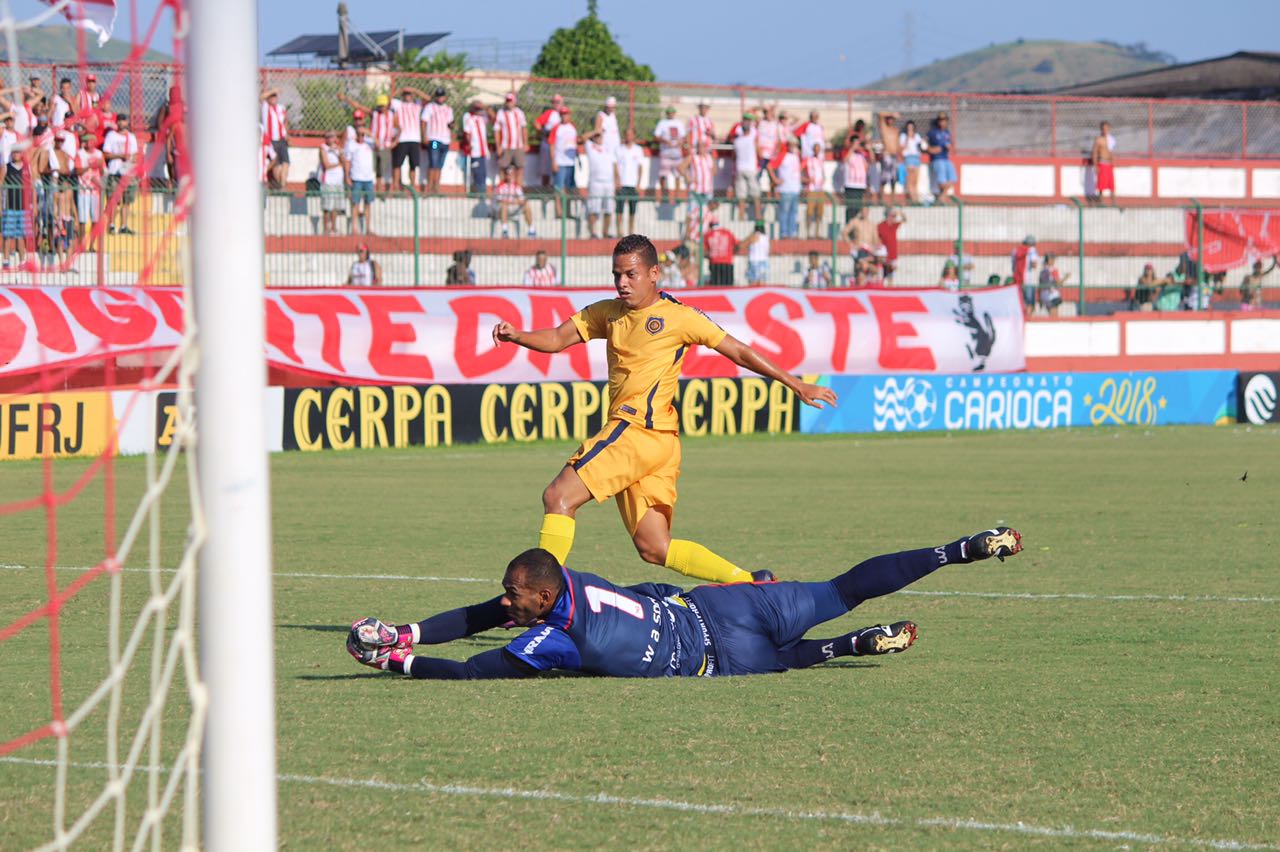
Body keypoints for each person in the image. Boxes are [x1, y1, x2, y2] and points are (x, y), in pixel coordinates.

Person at [490, 234, 838, 583]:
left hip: (636, 430)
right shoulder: (607, 313)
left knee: (558, 496)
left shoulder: (680, 317)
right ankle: (751, 582)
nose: (622, 283)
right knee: (655, 547)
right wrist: (517, 335)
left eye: (631, 274)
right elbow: (556, 338)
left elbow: (739, 351)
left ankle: (541, 600)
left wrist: (797, 384)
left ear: (654, 273)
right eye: (616, 275)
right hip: (659, 442)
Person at [346, 528, 1024, 679]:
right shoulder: (572, 578)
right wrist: (409, 629)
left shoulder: (553, 640)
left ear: (544, 596)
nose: (507, 604)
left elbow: (469, 668)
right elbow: (487, 612)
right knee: (841, 589)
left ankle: (848, 647)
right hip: (721, 608)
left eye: (518, 597)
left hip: (720, 657)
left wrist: (397, 663)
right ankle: (958, 548)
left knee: (793, 662)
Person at [339, 92, 395, 194]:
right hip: (373, 145)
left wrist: (395, 142)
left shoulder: (392, 115)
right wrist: (346, 99)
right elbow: (359, 106)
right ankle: (376, 192)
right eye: (380, 105)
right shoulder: (374, 114)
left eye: (383, 105)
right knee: (374, 169)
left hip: (385, 146)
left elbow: (399, 128)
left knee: (383, 170)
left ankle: (384, 192)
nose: (381, 107)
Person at [102, 113, 139, 235]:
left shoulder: (131, 137)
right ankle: (111, 224)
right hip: (114, 171)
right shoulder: (111, 136)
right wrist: (120, 156)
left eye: (124, 120)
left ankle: (124, 225)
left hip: (127, 172)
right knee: (113, 199)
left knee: (127, 200)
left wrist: (131, 160)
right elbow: (106, 154)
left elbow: (135, 155)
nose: (121, 123)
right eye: (119, 121)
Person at [390, 86, 426, 190]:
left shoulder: (417, 105)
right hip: (402, 139)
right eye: (405, 94)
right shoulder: (398, 104)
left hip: (415, 139)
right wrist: (400, 89)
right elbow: (388, 99)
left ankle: (412, 186)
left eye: (409, 94)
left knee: (413, 165)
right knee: (397, 164)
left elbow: (428, 99)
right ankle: (396, 186)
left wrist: (414, 90)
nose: (408, 96)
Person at [584, 130, 618, 239]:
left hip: (609, 182)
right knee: (594, 208)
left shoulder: (608, 148)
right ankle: (593, 232)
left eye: (600, 136)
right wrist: (595, 131)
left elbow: (614, 164)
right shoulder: (590, 146)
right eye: (596, 136)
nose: (598, 138)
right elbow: (583, 137)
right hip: (596, 182)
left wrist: (617, 179)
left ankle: (605, 232)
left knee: (609, 209)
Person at [548, 107, 579, 219]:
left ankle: (568, 211)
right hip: (560, 162)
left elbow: (575, 143)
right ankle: (559, 211)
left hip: (570, 162)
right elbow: (551, 145)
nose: (564, 116)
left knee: (569, 188)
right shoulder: (556, 128)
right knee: (559, 188)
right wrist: (553, 161)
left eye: (566, 114)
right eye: (562, 114)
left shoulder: (573, 127)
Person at [767, 138, 801, 239]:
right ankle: (784, 233)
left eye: (795, 145)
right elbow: (769, 166)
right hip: (785, 189)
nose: (793, 147)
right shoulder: (783, 155)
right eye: (791, 145)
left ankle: (792, 233)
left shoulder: (796, 156)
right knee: (784, 213)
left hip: (795, 189)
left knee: (793, 213)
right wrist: (775, 180)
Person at [729, 113, 761, 220]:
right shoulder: (752, 136)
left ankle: (743, 217)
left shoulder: (738, 140)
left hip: (741, 168)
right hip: (749, 169)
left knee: (742, 196)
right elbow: (759, 151)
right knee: (754, 195)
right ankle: (757, 217)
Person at [422, 88, 454, 195]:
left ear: (445, 97)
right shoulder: (430, 107)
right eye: (438, 96)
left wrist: (453, 126)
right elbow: (424, 122)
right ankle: (429, 188)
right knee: (433, 163)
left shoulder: (448, 109)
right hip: (434, 139)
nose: (440, 98)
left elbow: (450, 123)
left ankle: (437, 188)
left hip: (445, 141)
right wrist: (424, 136)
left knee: (440, 165)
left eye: (442, 96)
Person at [345, 126, 376, 235]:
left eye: (363, 135)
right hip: (356, 178)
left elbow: (380, 144)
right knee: (355, 203)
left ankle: (368, 228)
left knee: (368, 203)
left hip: (368, 178)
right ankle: (354, 229)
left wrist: (368, 132)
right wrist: (347, 176)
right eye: (359, 134)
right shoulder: (351, 144)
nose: (361, 137)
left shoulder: (369, 143)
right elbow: (347, 161)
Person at [614, 128, 645, 236]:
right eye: (626, 134)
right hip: (622, 184)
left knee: (632, 210)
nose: (628, 137)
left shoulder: (638, 150)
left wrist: (638, 184)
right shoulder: (619, 149)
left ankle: (631, 231)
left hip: (633, 184)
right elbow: (615, 166)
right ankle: (619, 231)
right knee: (619, 209)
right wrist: (617, 181)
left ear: (634, 136)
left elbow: (640, 167)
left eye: (630, 134)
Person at [493, 92, 528, 187]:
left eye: (510, 101)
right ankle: (503, 192)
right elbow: (496, 130)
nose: (509, 103)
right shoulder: (501, 113)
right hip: (505, 146)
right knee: (503, 168)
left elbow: (524, 128)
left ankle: (518, 191)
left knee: (519, 169)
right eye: (507, 101)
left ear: (514, 101)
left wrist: (525, 143)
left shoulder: (519, 112)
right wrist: (498, 146)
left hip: (518, 145)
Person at [652, 105, 686, 205]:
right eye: (669, 112)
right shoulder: (662, 123)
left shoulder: (679, 123)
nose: (670, 114)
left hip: (677, 154)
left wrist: (680, 142)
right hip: (666, 153)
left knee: (678, 175)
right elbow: (656, 137)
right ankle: (664, 195)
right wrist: (666, 142)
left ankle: (677, 197)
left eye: (672, 112)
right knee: (663, 175)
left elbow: (684, 137)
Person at [495, 164, 535, 238]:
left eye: (512, 174)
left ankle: (531, 230)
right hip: (503, 209)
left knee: (527, 206)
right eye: (508, 174)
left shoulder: (517, 186)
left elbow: (523, 200)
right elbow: (500, 200)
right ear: (506, 175)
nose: (510, 176)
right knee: (504, 206)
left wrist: (513, 202)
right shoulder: (501, 186)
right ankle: (505, 231)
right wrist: (514, 201)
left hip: (514, 208)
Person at [534, 93, 564, 190]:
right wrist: (543, 132)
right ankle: (545, 190)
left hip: (560, 145)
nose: (556, 104)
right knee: (546, 169)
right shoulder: (550, 113)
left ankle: (558, 189)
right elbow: (537, 122)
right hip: (548, 142)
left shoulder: (564, 113)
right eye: (554, 102)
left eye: (558, 102)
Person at [259, 89, 289, 188]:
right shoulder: (265, 107)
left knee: (285, 163)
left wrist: (286, 133)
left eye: (275, 96)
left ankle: (283, 185)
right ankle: (280, 186)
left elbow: (285, 121)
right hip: (271, 140)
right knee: (276, 164)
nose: (273, 98)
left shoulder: (281, 108)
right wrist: (273, 90)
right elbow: (261, 97)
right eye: (271, 96)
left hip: (282, 139)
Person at [460, 100, 489, 196]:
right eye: (477, 108)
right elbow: (467, 133)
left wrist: (484, 106)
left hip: (483, 151)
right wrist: (469, 144)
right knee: (477, 172)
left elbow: (493, 118)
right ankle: (477, 192)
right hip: (474, 151)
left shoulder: (482, 118)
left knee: (483, 173)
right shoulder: (468, 118)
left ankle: (482, 192)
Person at [927, 113, 956, 200]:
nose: (942, 122)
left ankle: (941, 197)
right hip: (937, 159)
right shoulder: (933, 132)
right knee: (941, 181)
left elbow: (951, 144)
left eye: (944, 120)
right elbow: (923, 144)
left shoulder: (947, 133)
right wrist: (931, 149)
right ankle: (941, 198)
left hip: (946, 158)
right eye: (940, 120)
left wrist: (950, 146)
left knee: (953, 178)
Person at [841, 132, 868, 222]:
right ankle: (848, 228)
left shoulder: (861, 155)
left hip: (860, 185)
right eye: (856, 143)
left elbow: (867, 167)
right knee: (851, 208)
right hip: (851, 185)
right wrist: (852, 148)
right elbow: (845, 161)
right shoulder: (848, 153)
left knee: (858, 209)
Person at [876, 111, 902, 203]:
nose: (890, 121)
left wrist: (900, 155)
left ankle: (893, 199)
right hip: (887, 156)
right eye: (889, 119)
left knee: (894, 179)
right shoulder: (884, 128)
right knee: (884, 179)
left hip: (894, 156)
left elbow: (897, 144)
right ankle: (881, 199)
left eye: (892, 119)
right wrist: (892, 114)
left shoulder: (895, 130)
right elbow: (880, 114)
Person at [802, 142, 826, 239]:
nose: (817, 151)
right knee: (810, 212)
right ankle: (808, 233)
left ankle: (817, 232)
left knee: (819, 212)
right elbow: (799, 171)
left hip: (820, 189)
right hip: (811, 189)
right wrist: (806, 180)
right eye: (816, 148)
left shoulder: (820, 161)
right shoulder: (808, 160)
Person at [703, 221, 737, 286]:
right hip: (727, 262)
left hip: (714, 263)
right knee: (728, 285)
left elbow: (705, 251)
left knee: (715, 286)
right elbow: (736, 245)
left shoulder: (708, 235)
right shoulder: (728, 233)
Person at [1090, 121, 1116, 205]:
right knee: (1101, 185)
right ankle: (1100, 202)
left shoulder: (1111, 139)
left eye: (1107, 128)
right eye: (1104, 129)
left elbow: (1112, 152)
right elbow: (1094, 153)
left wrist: (1113, 162)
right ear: (1101, 129)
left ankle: (1114, 203)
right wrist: (1095, 166)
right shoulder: (1098, 140)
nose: (1105, 130)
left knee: (1112, 185)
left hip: (1109, 164)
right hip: (1102, 164)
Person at [899, 119, 925, 204]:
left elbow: (920, 147)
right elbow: (902, 148)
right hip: (908, 158)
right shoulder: (903, 136)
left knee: (915, 181)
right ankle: (913, 200)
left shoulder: (917, 136)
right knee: (909, 180)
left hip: (916, 158)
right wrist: (908, 137)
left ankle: (915, 198)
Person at [1011, 235, 1039, 313]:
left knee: (1021, 300)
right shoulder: (1032, 250)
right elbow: (1034, 265)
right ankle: (1028, 317)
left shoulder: (1015, 250)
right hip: (1029, 279)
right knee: (1030, 302)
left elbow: (1013, 266)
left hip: (1018, 278)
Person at [877, 207, 904, 284]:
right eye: (893, 216)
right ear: (888, 215)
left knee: (891, 276)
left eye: (895, 216)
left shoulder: (894, 225)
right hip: (884, 254)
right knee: (882, 274)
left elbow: (904, 220)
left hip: (893, 254)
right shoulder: (881, 225)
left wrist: (899, 212)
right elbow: (877, 238)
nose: (894, 218)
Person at [742, 220, 769, 284]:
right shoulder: (766, 237)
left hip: (754, 262)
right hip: (764, 262)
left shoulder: (754, 236)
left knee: (753, 285)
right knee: (762, 285)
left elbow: (742, 245)